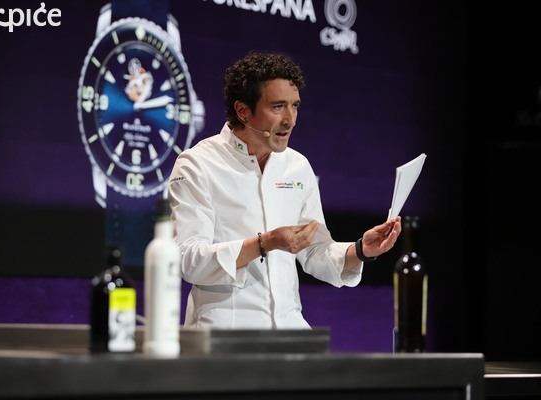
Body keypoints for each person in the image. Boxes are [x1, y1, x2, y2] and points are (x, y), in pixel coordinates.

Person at [167, 51, 401, 329]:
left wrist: (360, 250)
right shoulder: (197, 164)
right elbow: (188, 260)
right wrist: (265, 243)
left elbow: (315, 251)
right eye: (278, 106)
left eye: (295, 106)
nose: (290, 120)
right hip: (223, 336)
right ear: (243, 111)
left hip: (289, 332)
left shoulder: (297, 166)